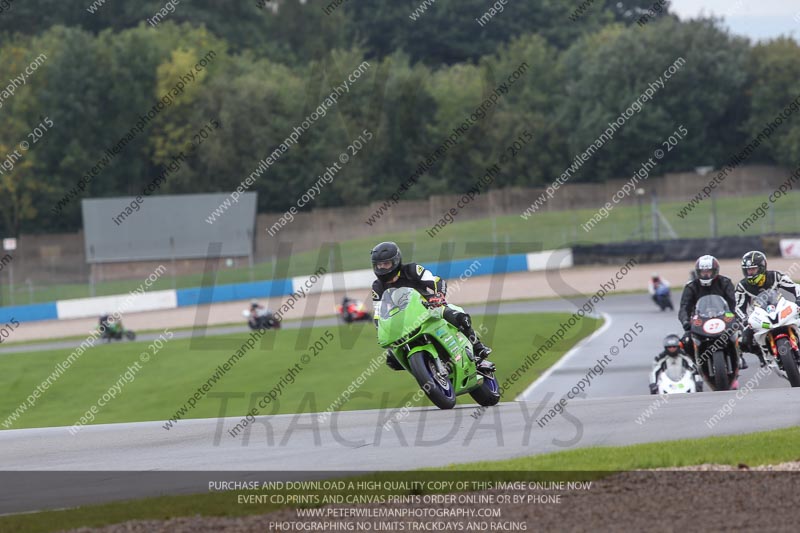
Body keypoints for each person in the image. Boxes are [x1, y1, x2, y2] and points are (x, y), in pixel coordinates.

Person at [370, 241, 493, 372]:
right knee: (391, 359)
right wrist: (380, 329)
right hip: (403, 322)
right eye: (379, 265)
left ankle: (478, 348)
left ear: (396, 261)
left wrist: (438, 295)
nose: (382, 268)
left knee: (458, 317)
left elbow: (436, 281)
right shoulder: (377, 287)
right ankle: (424, 370)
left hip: (429, 307)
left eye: (386, 264)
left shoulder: (412, 270)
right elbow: (378, 313)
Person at [734, 250, 800, 368]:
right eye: (747, 270)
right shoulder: (742, 286)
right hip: (758, 316)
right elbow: (738, 307)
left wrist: (799, 300)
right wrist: (744, 320)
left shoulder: (776, 276)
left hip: (779, 307)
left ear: (762, 267)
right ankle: (762, 356)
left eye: (753, 269)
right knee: (744, 340)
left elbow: (795, 288)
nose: (750, 273)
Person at [678, 255, 740, 364]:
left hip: (723, 317)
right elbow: (684, 307)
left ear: (715, 271)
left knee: (741, 334)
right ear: (698, 272)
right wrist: (685, 321)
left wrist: (736, 315)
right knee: (686, 341)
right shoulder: (691, 287)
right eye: (703, 272)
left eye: (709, 271)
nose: (706, 274)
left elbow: (734, 301)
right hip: (700, 320)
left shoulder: (725, 282)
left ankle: (739, 356)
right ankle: (695, 362)